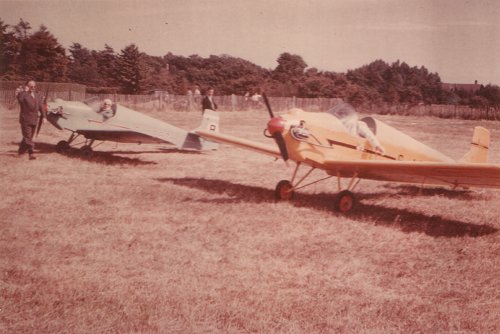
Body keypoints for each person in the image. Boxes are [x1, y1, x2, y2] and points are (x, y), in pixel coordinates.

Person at [17, 80, 46, 160]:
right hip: (25, 119)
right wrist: (25, 91)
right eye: (31, 86)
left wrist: (44, 117)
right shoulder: (22, 94)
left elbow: (41, 106)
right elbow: (20, 100)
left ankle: (21, 152)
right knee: (28, 137)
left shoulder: (37, 95)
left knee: (27, 137)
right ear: (27, 86)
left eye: (34, 86)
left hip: (34, 119)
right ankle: (31, 153)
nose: (33, 88)